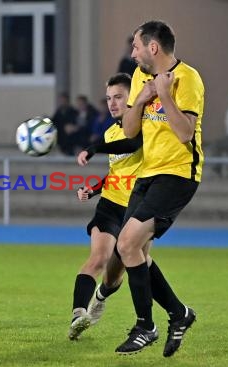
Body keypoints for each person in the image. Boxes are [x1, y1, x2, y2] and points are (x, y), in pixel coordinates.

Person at [68, 73, 187, 344]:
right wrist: (93, 189)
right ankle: (77, 315)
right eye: (108, 98)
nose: (112, 103)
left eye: (119, 97)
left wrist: (95, 146)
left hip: (136, 210)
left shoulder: (148, 126)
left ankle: (101, 297)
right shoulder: (111, 131)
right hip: (109, 205)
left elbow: (132, 144)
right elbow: (116, 172)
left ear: (132, 98)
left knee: (116, 277)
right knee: (97, 258)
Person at [117, 20, 204, 356]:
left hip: (179, 173)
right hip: (148, 172)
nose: (132, 53)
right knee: (134, 252)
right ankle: (180, 313)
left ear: (153, 47)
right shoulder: (140, 76)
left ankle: (145, 326)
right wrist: (139, 101)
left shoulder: (189, 78)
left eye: (136, 46)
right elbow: (128, 131)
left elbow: (184, 133)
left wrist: (165, 95)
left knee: (126, 243)